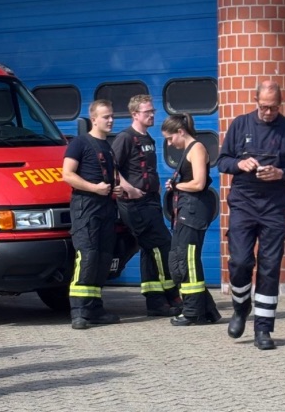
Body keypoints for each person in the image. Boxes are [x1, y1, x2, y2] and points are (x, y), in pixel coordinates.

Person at [217, 80, 285, 352]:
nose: (268, 113)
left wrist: (281, 173)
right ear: (256, 101)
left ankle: (264, 329)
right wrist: (239, 164)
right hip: (243, 204)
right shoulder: (240, 125)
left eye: (274, 108)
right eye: (264, 107)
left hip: (273, 206)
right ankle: (241, 307)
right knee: (241, 262)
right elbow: (222, 161)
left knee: (269, 267)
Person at [112, 95, 181, 318]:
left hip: (150, 201)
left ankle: (155, 301)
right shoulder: (125, 138)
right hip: (134, 204)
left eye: (152, 111)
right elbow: (112, 168)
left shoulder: (148, 138)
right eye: (147, 112)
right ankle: (171, 294)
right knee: (162, 245)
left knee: (149, 251)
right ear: (135, 114)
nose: (152, 115)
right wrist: (128, 188)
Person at [62, 99, 121, 330]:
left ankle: (95, 309)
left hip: (106, 208)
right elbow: (67, 174)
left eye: (112, 116)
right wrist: (94, 188)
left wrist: (114, 188)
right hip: (86, 206)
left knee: (103, 258)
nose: (110, 120)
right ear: (93, 119)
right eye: (105, 116)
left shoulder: (107, 146)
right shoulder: (80, 143)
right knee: (87, 257)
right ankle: (79, 312)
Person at [161, 113, 220, 326]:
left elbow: (198, 183)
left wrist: (176, 186)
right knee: (178, 261)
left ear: (180, 132)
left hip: (194, 214)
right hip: (185, 212)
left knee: (188, 262)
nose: (169, 143)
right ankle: (208, 310)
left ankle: (194, 313)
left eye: (170, 138)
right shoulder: (188, 150)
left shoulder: (197, 149)